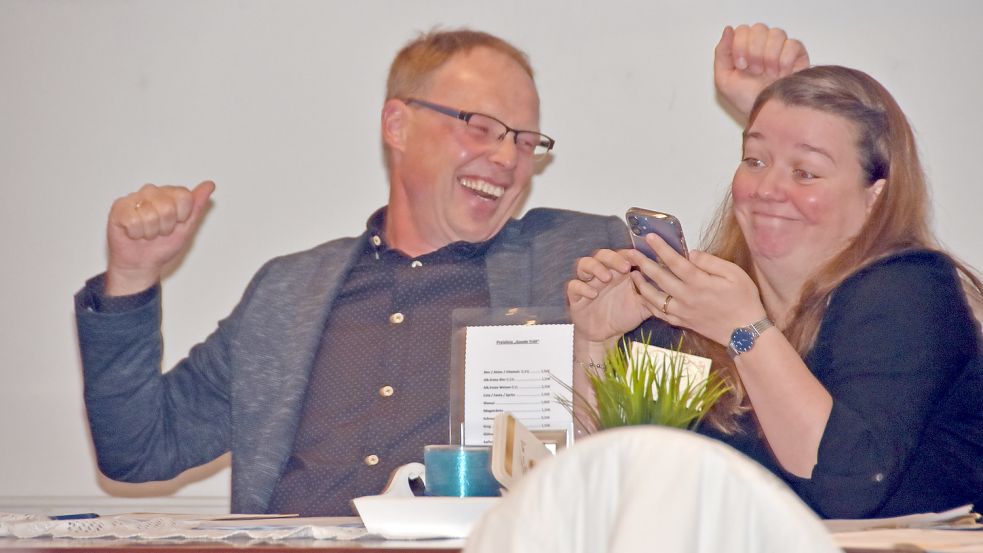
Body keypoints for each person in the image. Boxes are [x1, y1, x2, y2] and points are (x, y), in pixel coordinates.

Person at [75, 24, 807, 516]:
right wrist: (131, 278)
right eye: (480, 127)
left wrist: (774, 114)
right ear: (397, 124)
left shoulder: (581, 256)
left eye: (525, 139)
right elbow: (140, 450)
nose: (507, 158)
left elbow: (739, 338)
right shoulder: (287, 290)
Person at [568, 64, 983, 518]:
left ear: (874, 195)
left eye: (805, 172)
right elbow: (608, 485)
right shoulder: (700, 307)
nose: (767, 189)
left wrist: (744, 330)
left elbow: (844, 487)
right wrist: (597, 338)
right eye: (755, 160)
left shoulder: (909, 290)